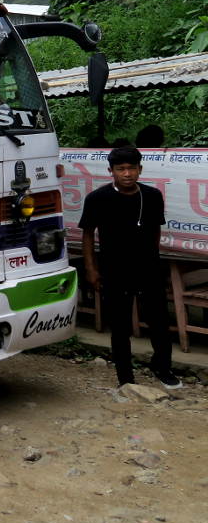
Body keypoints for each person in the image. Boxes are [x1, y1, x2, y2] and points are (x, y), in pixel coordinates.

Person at [79, 146, 181, 390]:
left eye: (132, 168)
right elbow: (87, 235)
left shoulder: (152, 195)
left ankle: (163, 368)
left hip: (148, 267)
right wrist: (91, 270)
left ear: (140, 169)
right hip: (114, 269)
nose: (127, 174)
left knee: (158, 321)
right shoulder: (97, 198)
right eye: (121, 169)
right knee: (120, 326)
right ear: (111, 171)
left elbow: (156, 229)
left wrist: (152, 259)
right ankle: (125, 377)